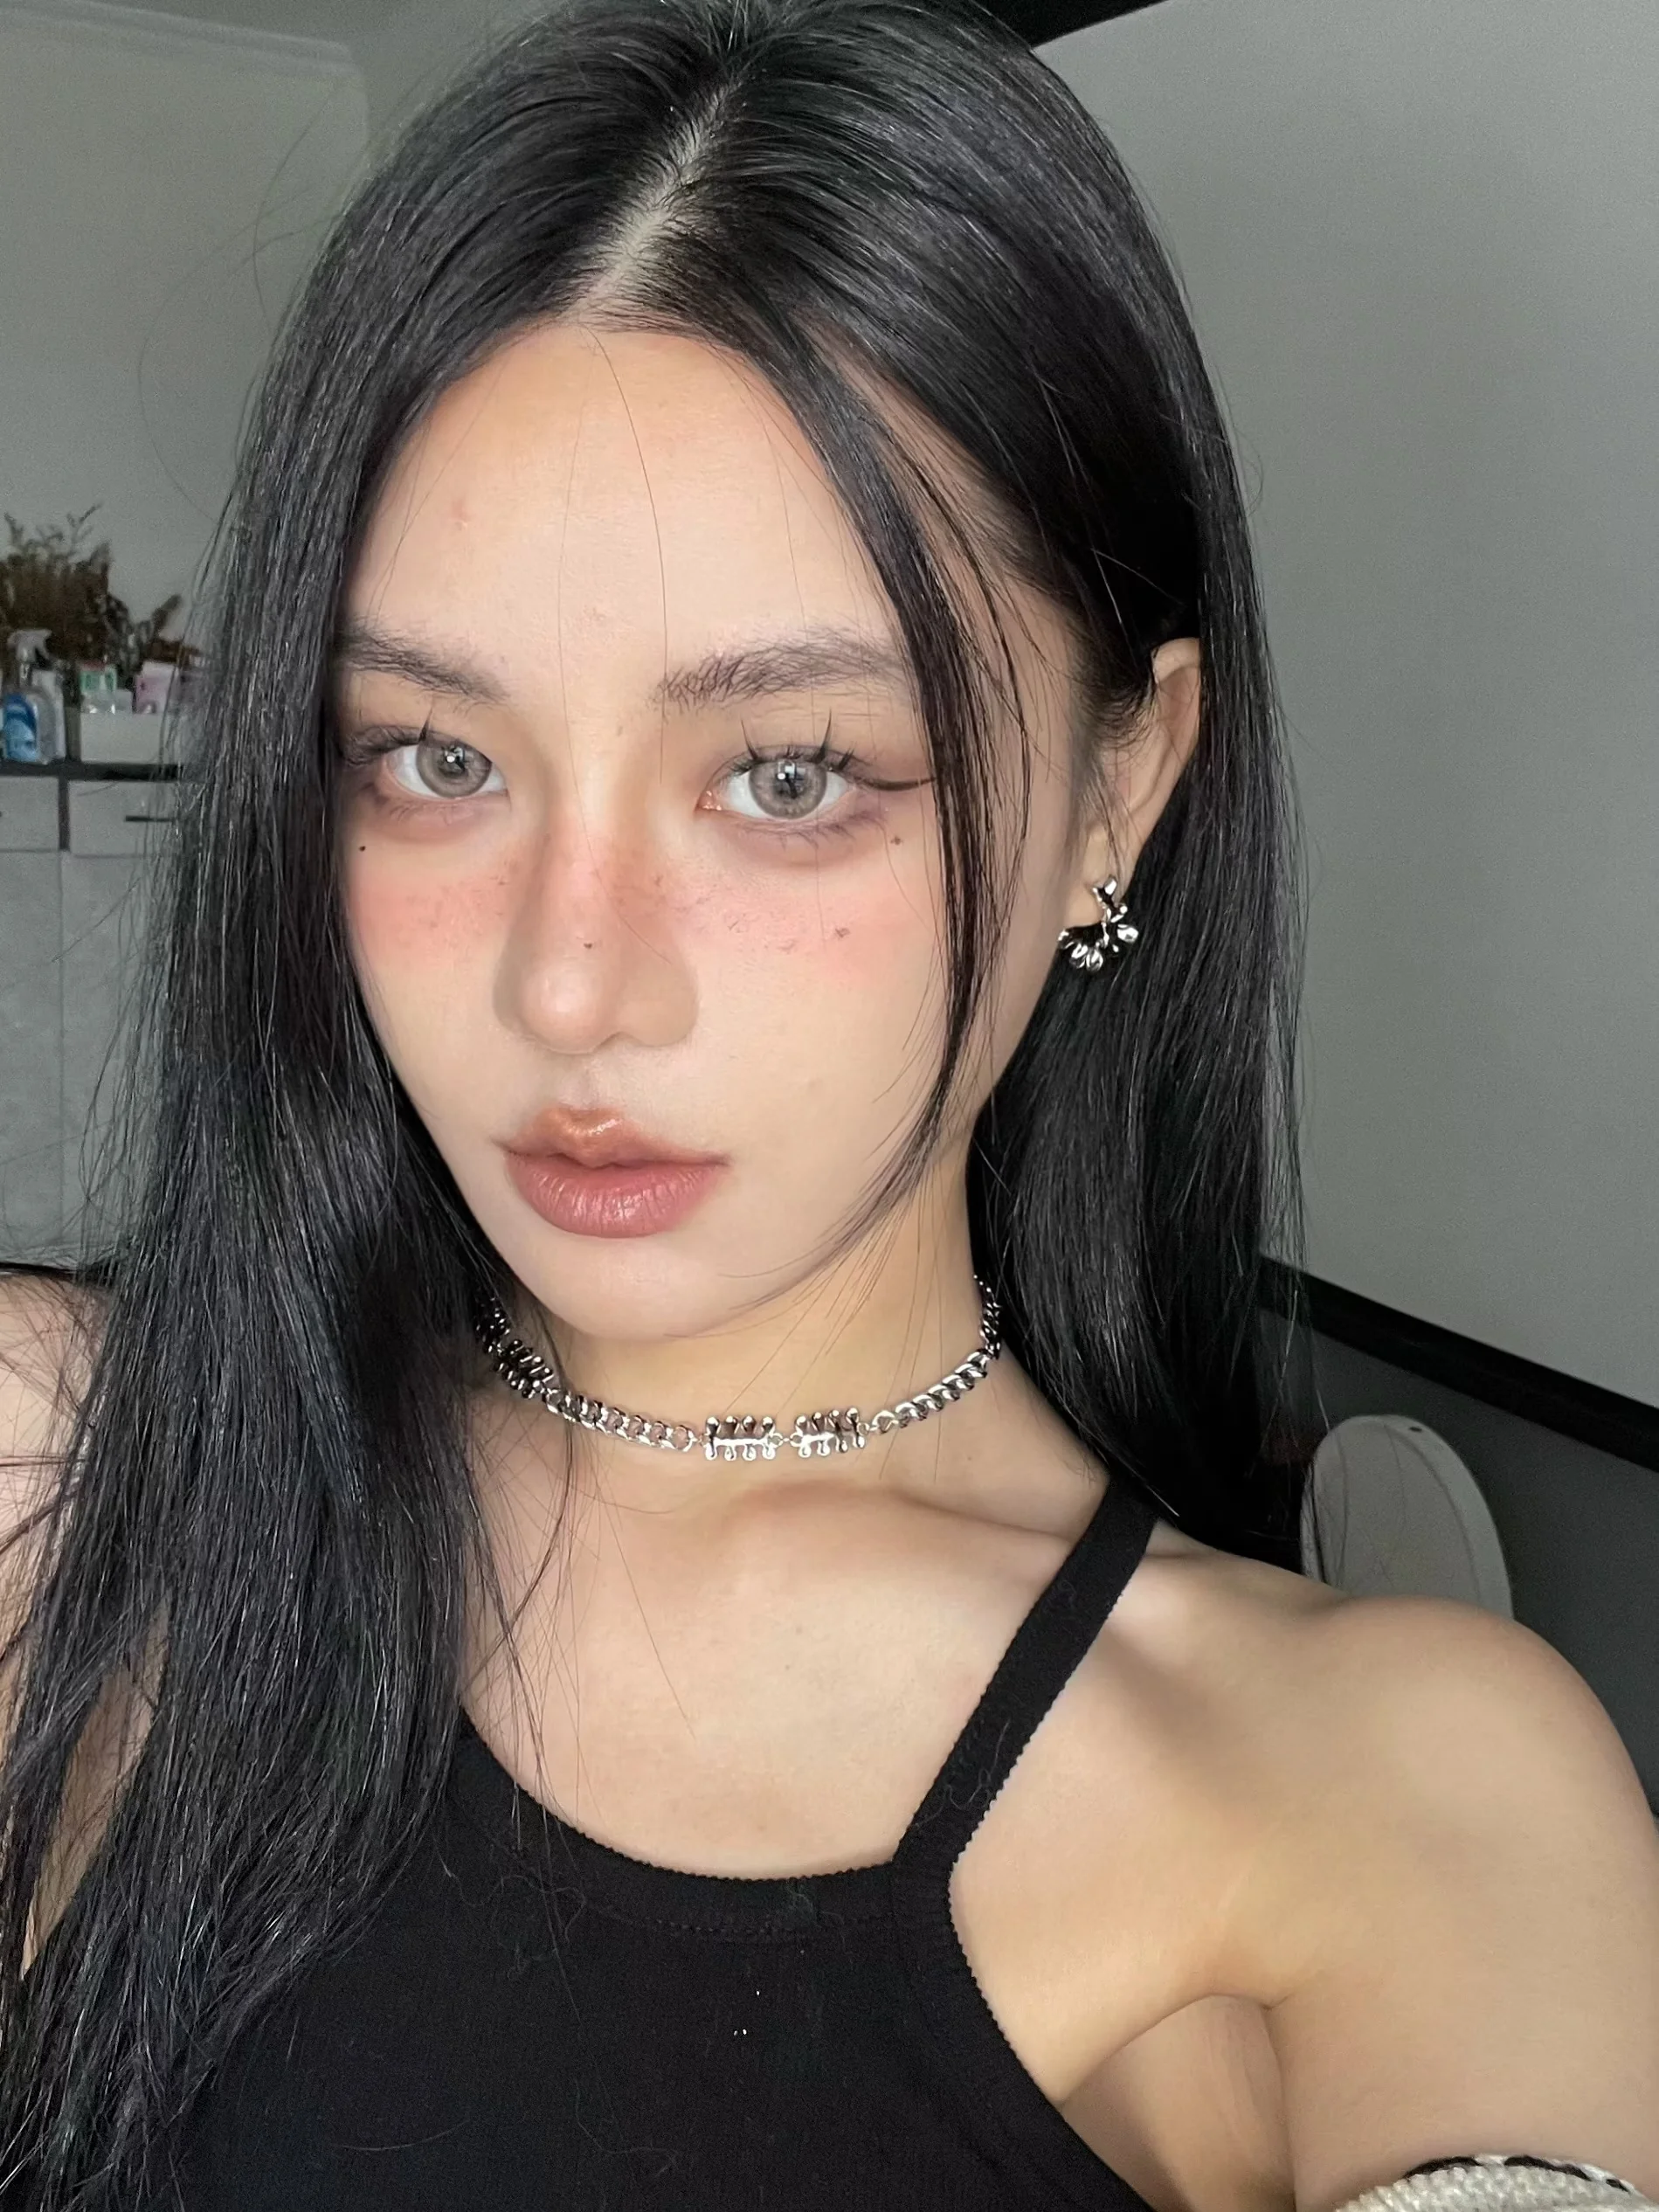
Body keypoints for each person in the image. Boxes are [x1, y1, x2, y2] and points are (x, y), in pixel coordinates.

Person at [2, 0, 1656, 2204]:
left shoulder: (1384, 1799)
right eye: (438, 757)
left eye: (788, 776)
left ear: (1122, 786)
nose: (566, 983)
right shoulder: (70, 1476)